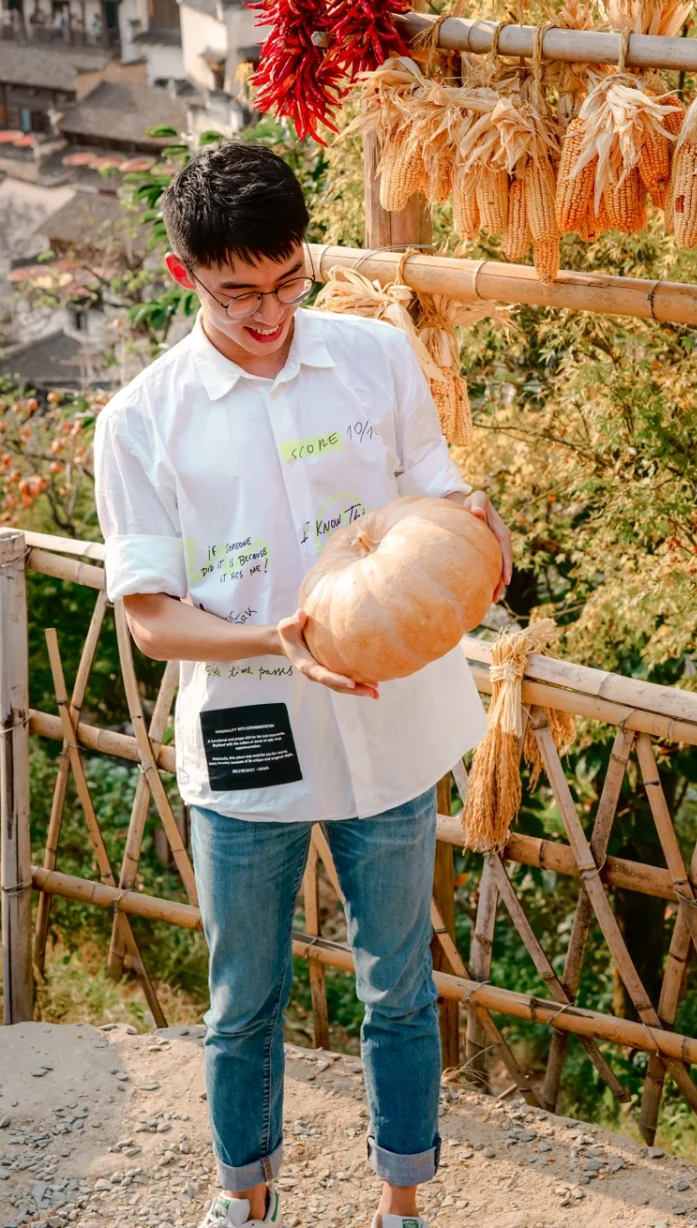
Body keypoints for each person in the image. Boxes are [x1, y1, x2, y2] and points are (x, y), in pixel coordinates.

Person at [93, 140, 513, 1228]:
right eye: (239, 293)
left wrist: (480, 531)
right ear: (185, 274)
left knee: (400, 987)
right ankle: (244, 1196)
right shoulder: (142, 420)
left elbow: (439, 495)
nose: (270, 312)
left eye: (288, 282)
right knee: (242, 1001)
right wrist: (275, 644)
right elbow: (149, 616)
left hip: (395, 727)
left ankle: (403, 1203)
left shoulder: (375, 357)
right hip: (247, 738)